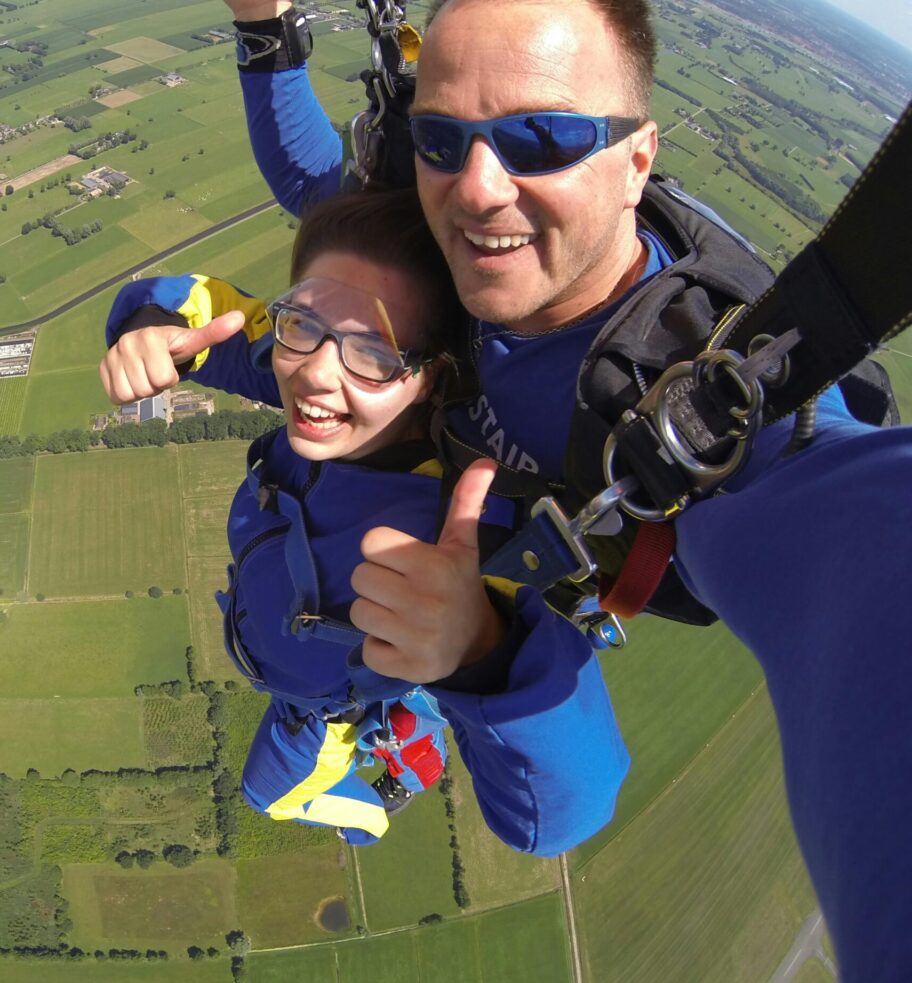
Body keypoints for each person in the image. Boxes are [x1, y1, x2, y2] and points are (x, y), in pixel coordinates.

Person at [108, 1, 912, 983]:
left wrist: (482, 652)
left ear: (637, 159)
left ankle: (397, 726)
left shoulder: (717, 417)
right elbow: (326, 204)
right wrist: (267, 37)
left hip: (451, 619)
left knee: (289, 756)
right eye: (443, 138)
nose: (480, 184)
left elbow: (872, 562)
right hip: (364, 567)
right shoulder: (454, 239)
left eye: (546, 137)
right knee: (286, 741)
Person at [101, 185, 631, 854]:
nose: (317, 374)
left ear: (430, 378)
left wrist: (480, 652)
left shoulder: (463, 536)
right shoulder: (316, 379)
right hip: (303, 653)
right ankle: (415, 713)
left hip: (322, 709)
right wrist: (147, 321)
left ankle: (378, 807)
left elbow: (562, 815)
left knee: (270, 796)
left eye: (374, 355)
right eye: (299, 323)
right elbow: (200, 312)